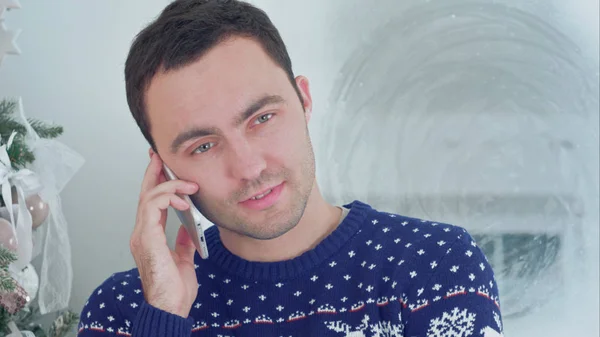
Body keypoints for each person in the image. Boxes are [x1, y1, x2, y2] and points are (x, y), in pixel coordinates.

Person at [77, 0, 504, 336]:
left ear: (303, 100)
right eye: (204, 145)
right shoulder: (124, 310)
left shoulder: (435, 266)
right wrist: (164, 317)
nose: (248, 167)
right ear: (162, 168)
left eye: (262, 119)